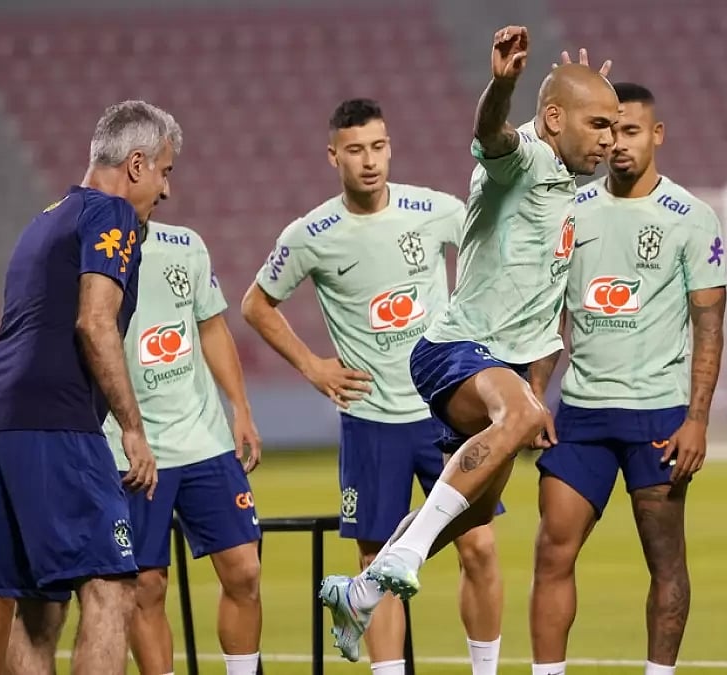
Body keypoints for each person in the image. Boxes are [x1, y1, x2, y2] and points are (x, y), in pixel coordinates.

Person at [318, 30, 618, 660]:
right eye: (598, 125)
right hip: (453, 348)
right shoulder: (528, 157)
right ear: (555, 118)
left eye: (614, 128)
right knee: (514, 423)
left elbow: (543, 317)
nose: (609, 140)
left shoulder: (566, 184)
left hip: (500, 364)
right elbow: (493, 135)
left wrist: (535, 392)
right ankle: (398, 556)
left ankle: (361, 593)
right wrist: (505, 85)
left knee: (472, 524)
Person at [242, 99, 504, 672]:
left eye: (378, 147)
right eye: (356, 150)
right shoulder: (311, 234)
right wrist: (313, 366)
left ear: (391, 147)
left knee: (479, 547)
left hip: (445, 412)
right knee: (376, 558)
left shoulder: (432, 210)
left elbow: (493, 253)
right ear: (333, 155)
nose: (369, 161)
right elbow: (256, 304)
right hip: (371, 420)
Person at [528, 82, 727, 675]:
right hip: (583, 413)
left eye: (632, 131)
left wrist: (697, 420)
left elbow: (709, 327)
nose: (617, 143)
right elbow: (552, 318)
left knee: (665, 562)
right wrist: (534, 395)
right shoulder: (572, 210)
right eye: (609, 130)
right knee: (551, 551)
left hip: (659, 415)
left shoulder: (692, 218)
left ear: (656, 135)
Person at [0, 100, 174, 675]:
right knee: (112, 586)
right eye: (164, 171)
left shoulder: (46, 219)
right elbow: (95, 322)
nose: (165, 190)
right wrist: (133, 431)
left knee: (37, 607)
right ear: (136, 165)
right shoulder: (109, 213)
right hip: (55, 424)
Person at [99, 218, 263, 675]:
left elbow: (211, 326)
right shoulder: (91, 250)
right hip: (129, 446)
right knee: (146, 585)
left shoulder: (186, 243)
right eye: (159, 173)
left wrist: (241, 408)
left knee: (245, 571)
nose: (165, 186)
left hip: (202, 438)